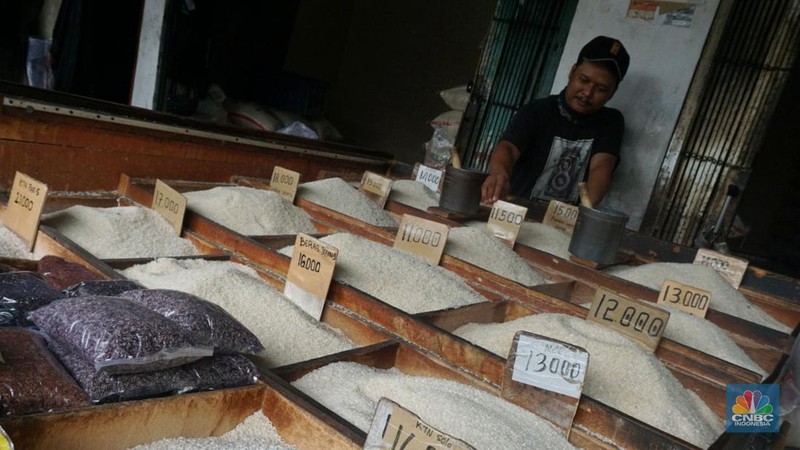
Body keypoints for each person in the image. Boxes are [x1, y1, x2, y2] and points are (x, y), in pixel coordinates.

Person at [480, 35, 630, 206]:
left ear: (613, 92)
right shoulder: (538, 110)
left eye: (601, 89)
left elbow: (602, 166)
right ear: (572, 71)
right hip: (515, 209)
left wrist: (585, 210)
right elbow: (508, 147)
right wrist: (499, 174)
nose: (588, 93)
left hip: (562, 221)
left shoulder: (611, 122)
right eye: (584, 80)